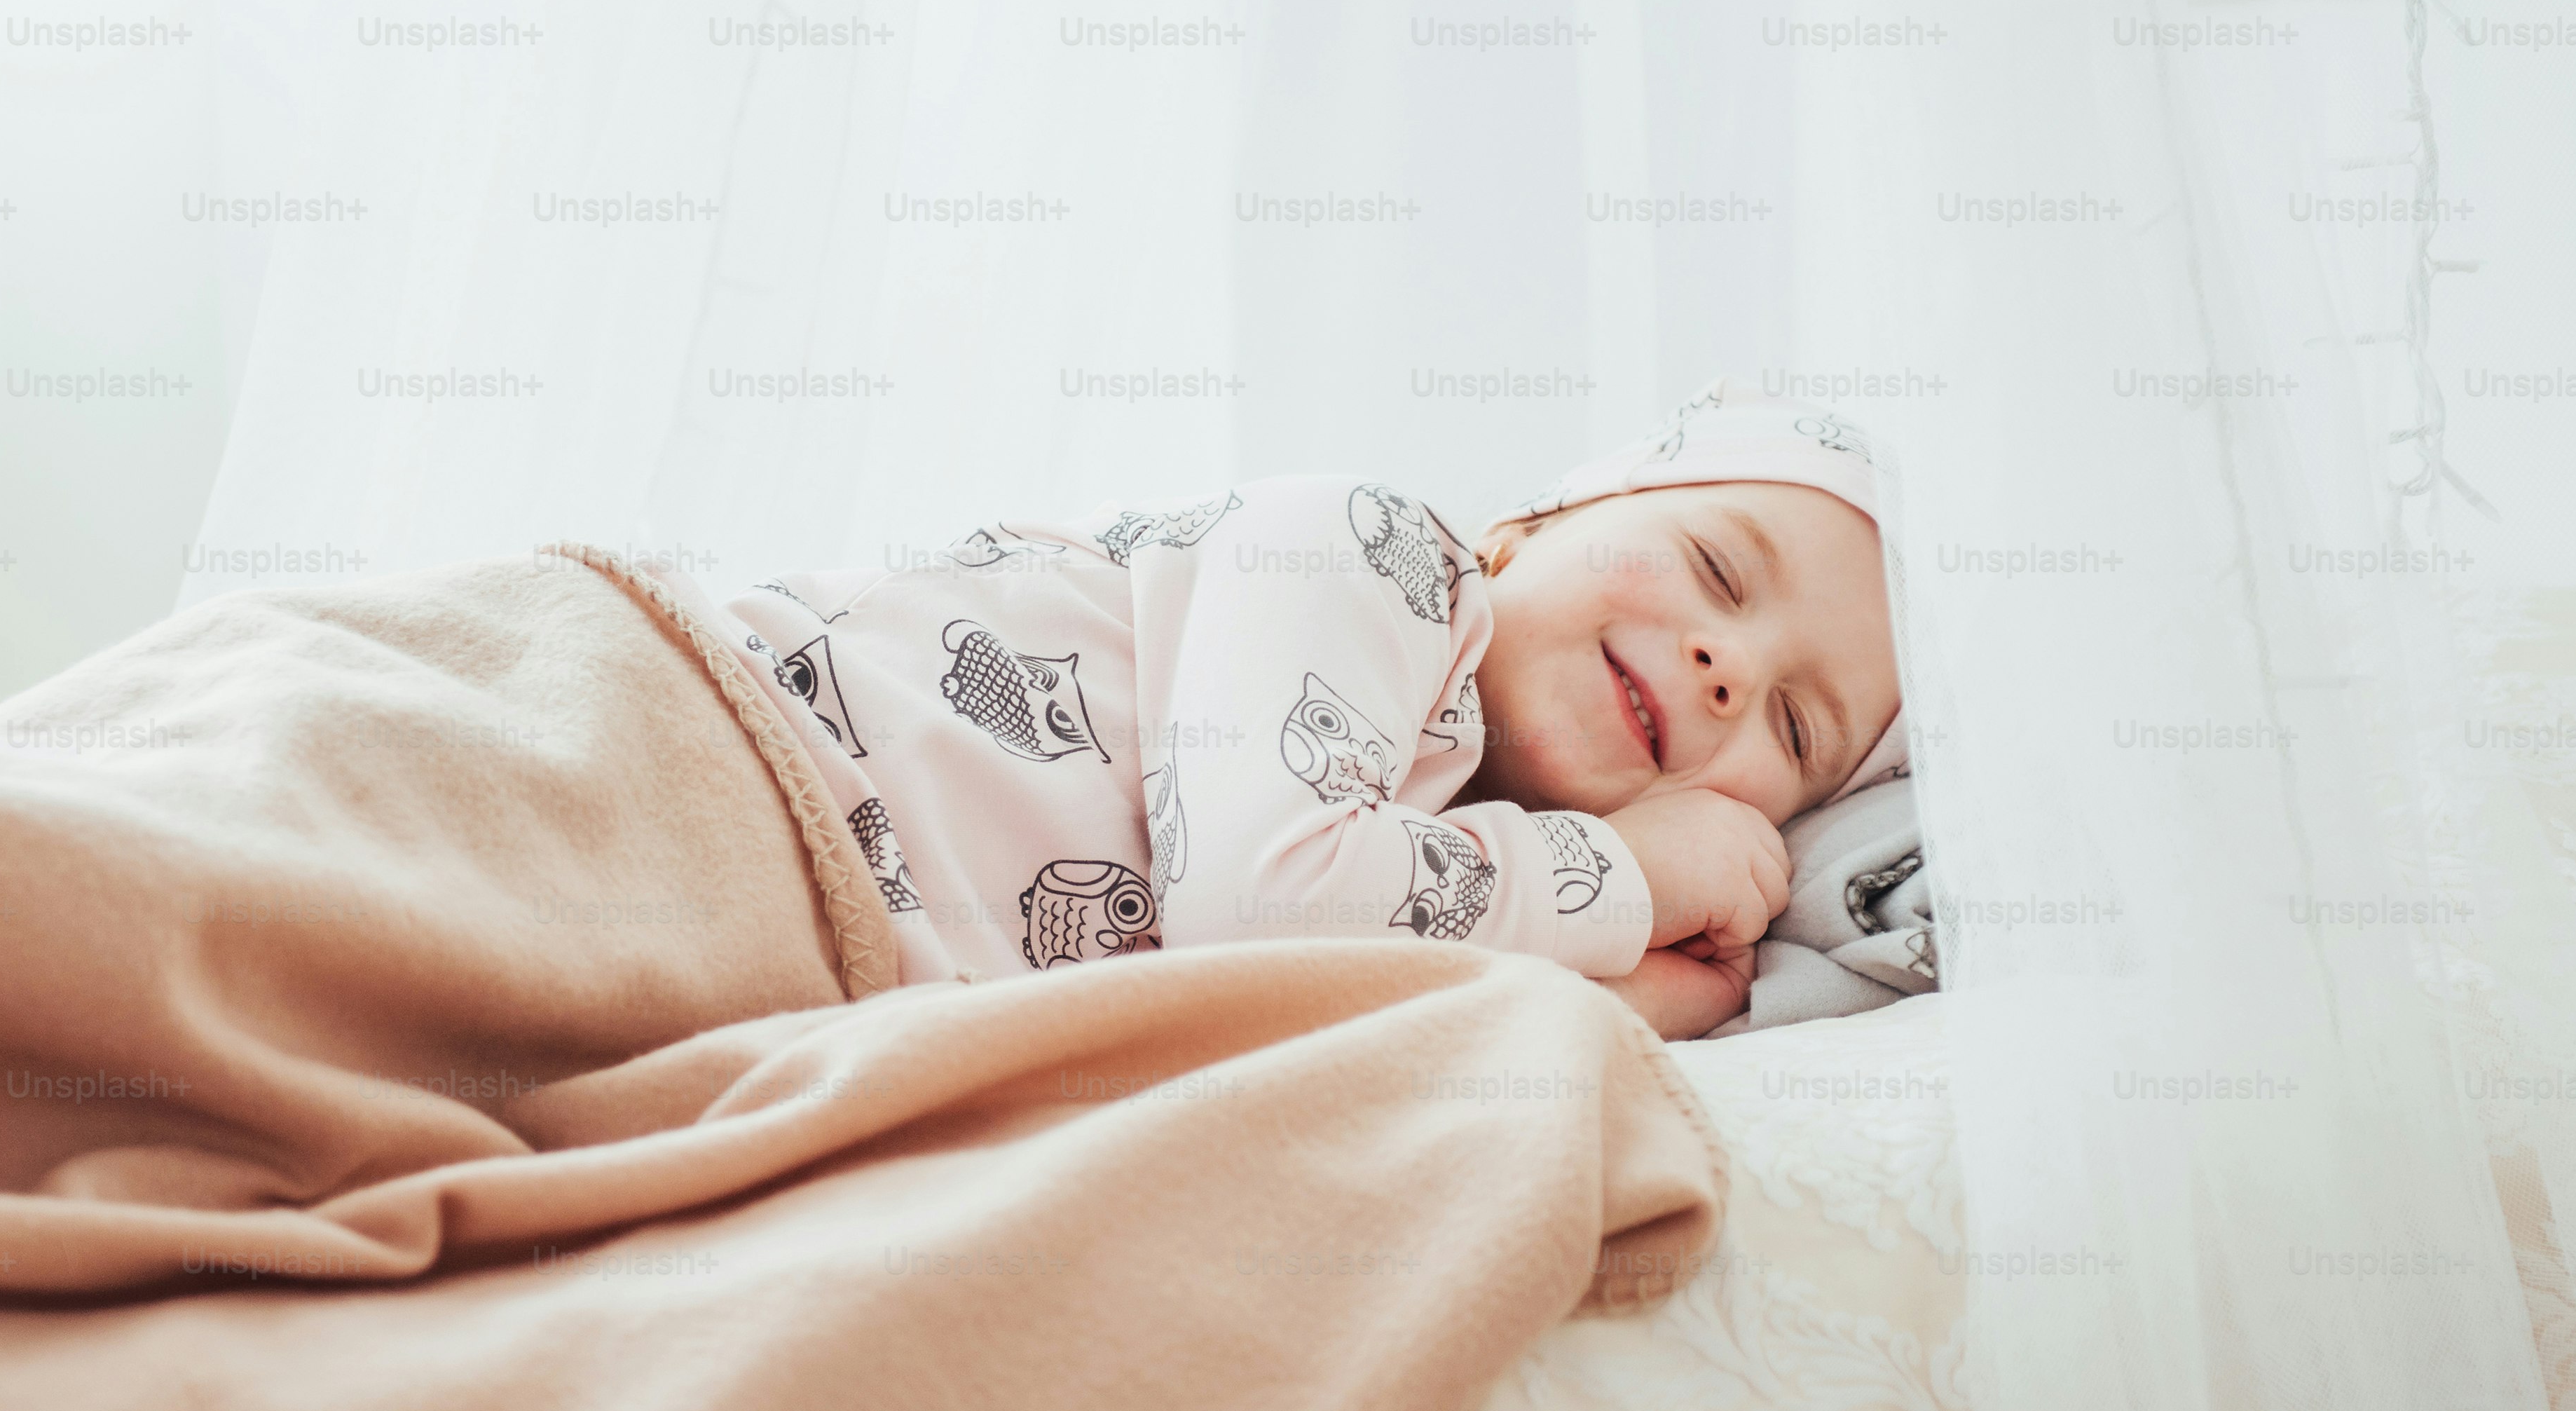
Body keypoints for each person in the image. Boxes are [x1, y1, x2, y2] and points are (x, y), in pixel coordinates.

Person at [665, 382, 1908, 1039]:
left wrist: (1608, 1001)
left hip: (793, 980)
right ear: (1534, 526)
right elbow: (1266, 907)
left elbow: (1279, 1030)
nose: (1727, 667)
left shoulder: (1466, 890)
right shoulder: (1369, 556)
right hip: (708, 757)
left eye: (1795, 729)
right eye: (1718, 569)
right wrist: (1627, 872)